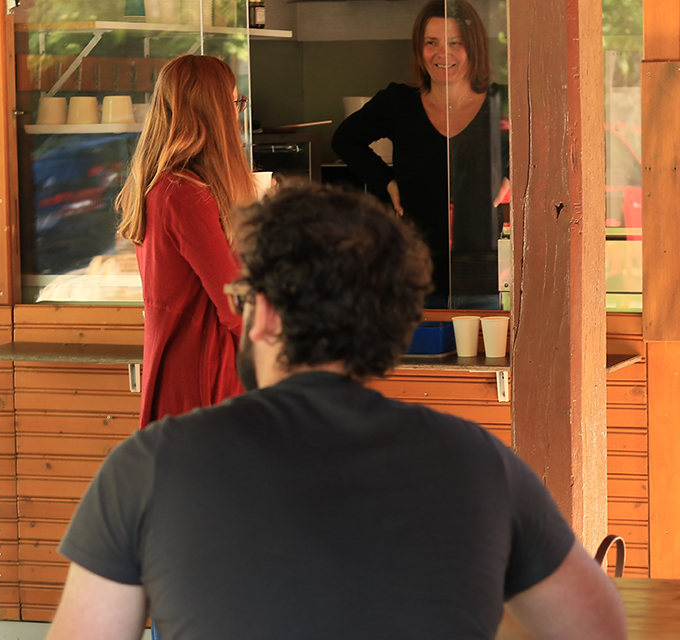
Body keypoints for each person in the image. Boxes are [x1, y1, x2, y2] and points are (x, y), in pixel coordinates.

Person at [46, 184, 626, 640]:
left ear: (265, 314)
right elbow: (597, 628)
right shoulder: (480, 464)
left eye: (242, 299)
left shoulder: (148, 467)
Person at [332, 0, 509, 309]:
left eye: (455, 42)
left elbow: (544, 147)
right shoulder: (399, 102)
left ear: (474, 46)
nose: (443, 53)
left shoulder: (501, 101)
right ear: (419, 48)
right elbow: (345, 139)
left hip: (486, 277)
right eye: (431, 42)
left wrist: (510, 177)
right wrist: (386, 181)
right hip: (416, 276)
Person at [116, 54, 256, 429]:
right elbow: (234, 303)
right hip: (204, 375)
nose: (237, 114)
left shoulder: (168, 186)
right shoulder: (185, 193)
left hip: (186, 370)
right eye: (234, 103)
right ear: (214, 112)